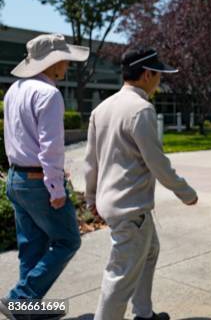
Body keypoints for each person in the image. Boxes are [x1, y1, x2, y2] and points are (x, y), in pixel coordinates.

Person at [84, 48, 198, 320]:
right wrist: (186, 193)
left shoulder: (102, 109)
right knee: (119, 277)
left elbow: (91, 162)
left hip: (115, 204)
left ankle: (144, 314)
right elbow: (156, 162)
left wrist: (90, 198)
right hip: (130, 208)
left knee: (150, 251)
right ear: (147, 74)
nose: (160, 82)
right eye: (159, 75)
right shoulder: (141, 109)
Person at [0, 34, 90, 320]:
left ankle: (26, 311)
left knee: (32, 246)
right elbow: (51, 148)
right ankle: (19, 299)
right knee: (68, 241)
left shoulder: (14, 89)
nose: (66, 64)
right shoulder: (49, 94)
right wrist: (56, 188)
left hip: (16, 179)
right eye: (64, 59)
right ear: (52, 63)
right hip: (39, 181)